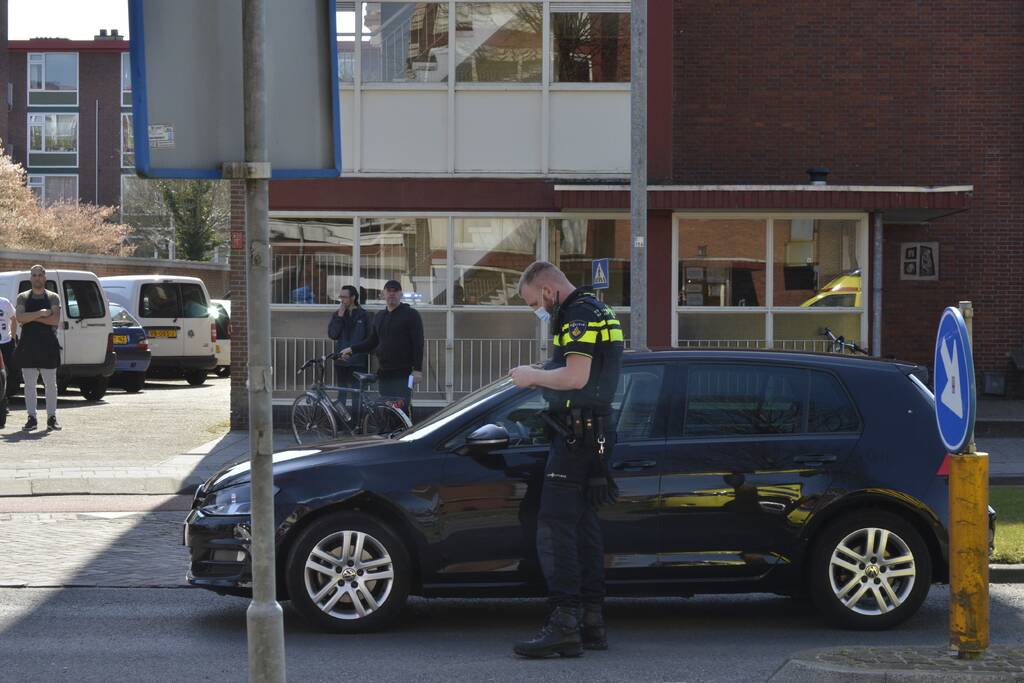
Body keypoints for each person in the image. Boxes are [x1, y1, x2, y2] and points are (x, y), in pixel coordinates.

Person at [507, 261, 624, 658]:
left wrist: (532, 375)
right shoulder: (599, 309)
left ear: (546, 290)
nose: (534, 311)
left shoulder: (574, 313)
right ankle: (591, 622)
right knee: (585, 528)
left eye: (531, 303)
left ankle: (563, 625)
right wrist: (547, 369)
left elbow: (576, 377)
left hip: (576, 436)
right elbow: (586, 373)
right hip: (596, 432)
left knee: (555, 530)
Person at [340, 279, 423, 413]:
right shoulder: (380, 316)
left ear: (400, 294)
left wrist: (417, 369)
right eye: (388, 291)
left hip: (404, 373)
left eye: (395, 291)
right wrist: (351, 349)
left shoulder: (411, 315)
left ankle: (406, 433)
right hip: (384, 372)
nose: (391, 294)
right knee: (386, 406)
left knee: (403, 406)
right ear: (383, 294)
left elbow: (418, 343)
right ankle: (388, 433)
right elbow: (372, 341)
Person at [14, 265, 63, 431]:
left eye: (40, 275)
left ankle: (51, 417)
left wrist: (31, 318)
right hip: (27, 346)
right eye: (34, 275)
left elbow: (55, 320)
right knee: (29, 385)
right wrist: (41, 313)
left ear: (45, 278)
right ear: (30, 278)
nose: (37, 278)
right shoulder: (23, 297)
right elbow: (20, 317)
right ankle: (31, 417)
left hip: (48, 345)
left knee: (51, 384)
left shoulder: (53, 297)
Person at [327, 285, 370, 416]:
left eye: (345, 297)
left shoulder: (364, 315)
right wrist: (339, 317)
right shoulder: (338, 314)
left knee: (357, 394)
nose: (342, 300)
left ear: (353, 297)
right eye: (341, 297)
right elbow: (333, 334)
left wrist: (353, 353)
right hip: (341, 361)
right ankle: (341, 424)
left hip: (358, 362)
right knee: (342, 394)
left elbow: (368, 339)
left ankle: (357, 425)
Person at [0, 293, 16, 426]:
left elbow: (14, 319)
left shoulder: (4, 302)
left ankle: (5, 400)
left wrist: (13, 338)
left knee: (9, 372)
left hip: (5, 343)